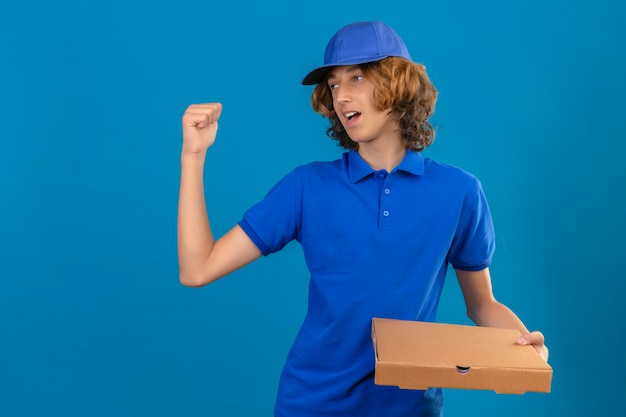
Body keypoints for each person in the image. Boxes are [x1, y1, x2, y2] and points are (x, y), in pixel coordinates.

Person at [177, 20, 548, 417]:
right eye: (334, 84)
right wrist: (193, 155)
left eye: (357, 77)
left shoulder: (459, 191)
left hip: (410, 409)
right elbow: (198, 268)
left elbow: (482, 304)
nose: (341, 96)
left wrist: (525, 346)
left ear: (399, 84)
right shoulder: (308, 186)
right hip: (312, 405)